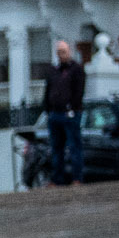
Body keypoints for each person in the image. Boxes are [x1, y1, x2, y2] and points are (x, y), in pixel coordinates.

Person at [45, 39, 87, 187]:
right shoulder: (53, 70)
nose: (61, 55)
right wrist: (48, 109)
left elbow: (79, 92)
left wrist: (72, 107)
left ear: (69, 51)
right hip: (55, 114)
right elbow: (48, 90)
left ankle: (77, 178)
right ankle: (57, 179)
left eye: (63, 51)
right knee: (57, 149)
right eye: (59, 52)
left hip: (71, 114)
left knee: (74, 147)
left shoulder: (77, 70)